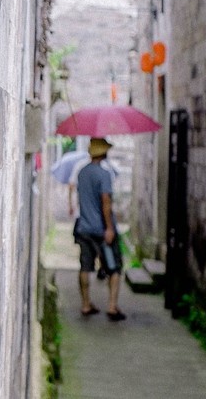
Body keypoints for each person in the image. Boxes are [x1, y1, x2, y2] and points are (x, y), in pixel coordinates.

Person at [73, 137, 125, 321]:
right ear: (103, 152)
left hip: (84, 228)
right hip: (102, 231)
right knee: (114, 267)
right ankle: (112, 306)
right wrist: (109, 228)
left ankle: (86, 304)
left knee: (85, 266)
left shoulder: (82, 172)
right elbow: (106, 202)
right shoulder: (104, 174)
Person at [50, 143, 89, 217]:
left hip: (82, 209)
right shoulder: (104, 167)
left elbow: (71, 186)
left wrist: (70, 205)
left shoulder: (80, 165)